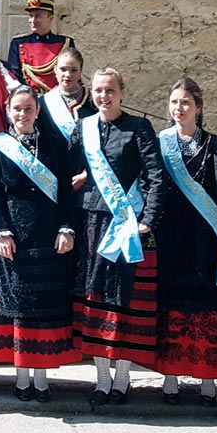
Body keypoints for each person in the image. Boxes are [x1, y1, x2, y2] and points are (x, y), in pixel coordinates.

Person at [69, 68, 165, 406]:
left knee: (122, 300)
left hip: (127, 224)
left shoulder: (139, 128)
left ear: (122, 93)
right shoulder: (84, 127)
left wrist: (148, 219)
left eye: (110, 90)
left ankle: (122, 378)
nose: (103, 96)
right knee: (95, 300)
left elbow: (155, 175)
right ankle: (101, 378)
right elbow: (71, 167)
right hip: (91, 222)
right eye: (98, 90)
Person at [0, 86, 81, 401]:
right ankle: (22, 377)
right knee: (20, 311)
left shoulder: (55, 144)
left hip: (49, 234)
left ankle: (42, 378)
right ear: (8, 111)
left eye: (28, 109)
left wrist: (67, 227)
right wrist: (1, 231)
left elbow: (65, 191)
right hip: (13, 235)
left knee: (44, 310)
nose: (22, 115)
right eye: (16, 109)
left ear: (37, 111)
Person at [153, 78, 217, 406]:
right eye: (174, 102)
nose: (179, 108)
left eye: (186, 103)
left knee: (207, 304)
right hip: (170, 235)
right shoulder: (160, 141)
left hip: (205, 237)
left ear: (198, 108)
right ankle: (170, 377)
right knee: (170, 303)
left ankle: (207, 378)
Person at [6, 0, 76, 92]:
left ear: (50, 18)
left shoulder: (65, 43)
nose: (33, 20)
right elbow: (15, 76)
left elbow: (73, 73)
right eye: (31, 16)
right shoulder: (18, 44)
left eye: (38, 16)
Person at [37, 48, 96, 151]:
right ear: (55, 69)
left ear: (81, 71)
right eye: (63, 69)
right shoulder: (43, 102)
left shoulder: (93, 100)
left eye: (74, 70)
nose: (68, 75)